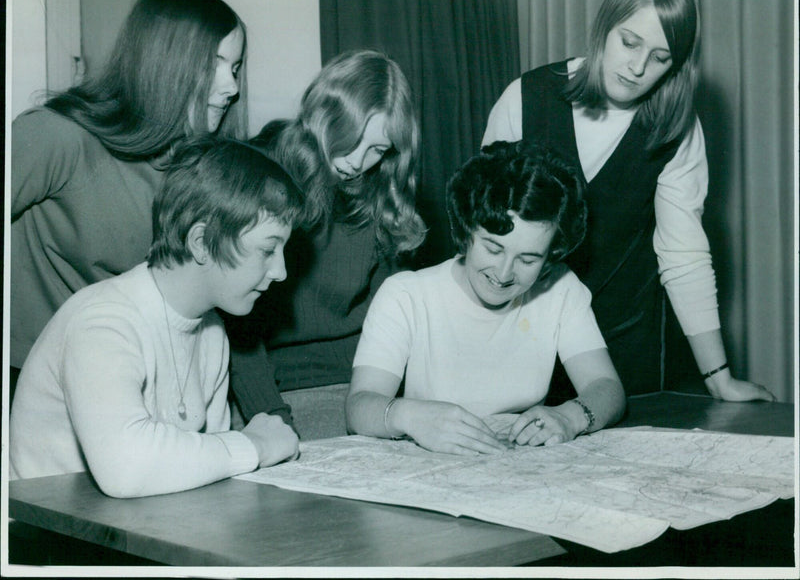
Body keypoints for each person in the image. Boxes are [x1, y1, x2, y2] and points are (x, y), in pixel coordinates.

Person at [482, 0, 773, 402]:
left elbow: (685, 257)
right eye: (629, 42)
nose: (637, 67)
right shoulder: (523, 98)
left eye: (660, 58)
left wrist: (719, 378)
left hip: (626, 350)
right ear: (605, 26)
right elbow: (483, 234)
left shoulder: (677, 129)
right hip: (523, 334)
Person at [10, 136, 302, 498]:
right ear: (200, 242)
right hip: (47, 543)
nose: (281, 271)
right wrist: (252, 446)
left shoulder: (211, 332)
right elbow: (125, 469)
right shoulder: (103, 321)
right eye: (268, 249)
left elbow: (209, 475)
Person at [9, 0, 248, 388]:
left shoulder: (195, 166)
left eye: (236, 68)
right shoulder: (57, 136)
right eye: (214, 63)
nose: (232, 87)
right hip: (31, 377)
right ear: (163, 62)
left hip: (132, 377)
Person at [346, 143, 626, 454]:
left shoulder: (561, 290)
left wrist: (569, 416)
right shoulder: (406, 296)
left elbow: (607, 388)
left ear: (550, 257)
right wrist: (408, 415)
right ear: (466, 231)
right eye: (493, 249)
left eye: (529, 259)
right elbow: (358, 408)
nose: (504, 273)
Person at [227, 50, 427, 432]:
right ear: (322, 115)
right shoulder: (258, 172)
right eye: (350, 138)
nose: (357, 161)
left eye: (378, 149)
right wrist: (274, 420)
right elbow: (238, 333)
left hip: (366, 387)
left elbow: (394, 322)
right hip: (272, 391)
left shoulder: (381, 191)